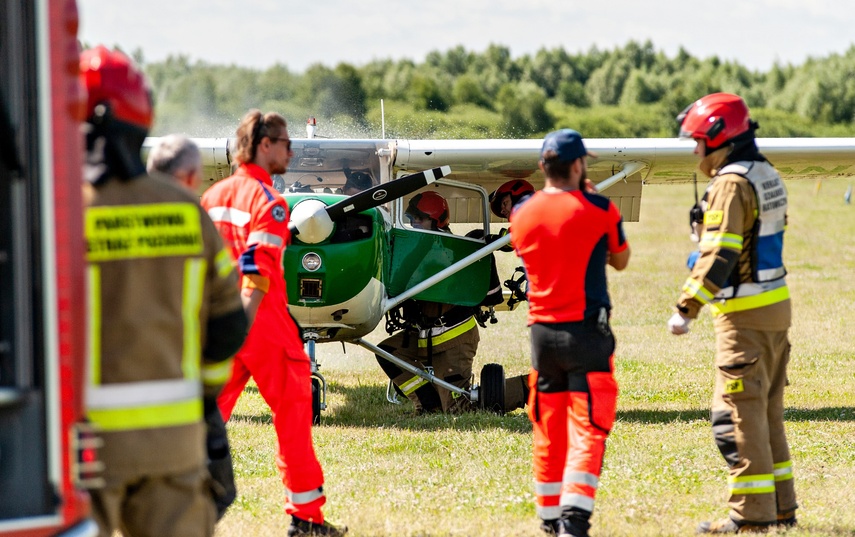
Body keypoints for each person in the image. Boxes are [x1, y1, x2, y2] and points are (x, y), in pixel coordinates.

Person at [80, 46, 247, 537]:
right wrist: (204, 392)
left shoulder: (57, 209)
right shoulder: (184, 208)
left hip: (79, 449)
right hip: (173, 447)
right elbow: (228, 323)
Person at [200, 109, 347, 536]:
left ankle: (177, 513)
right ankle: (306, 520)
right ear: (265, 146)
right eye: (285, 143)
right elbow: (258, 273)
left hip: (217, 322)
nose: (292, 149)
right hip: (260, 322)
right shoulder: (270, 203)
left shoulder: (212, 198)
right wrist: (243, 331)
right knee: (293, 417)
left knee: (204, 418)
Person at [668, 93, 797, 534]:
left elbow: (721, 257)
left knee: (735, 416)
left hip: (744, 316)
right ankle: (781, 508)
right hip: (775, 308)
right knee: (766, 413)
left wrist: (686, 307)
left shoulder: (729, 183)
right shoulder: (765, 173)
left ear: (719, 137)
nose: (695, 151)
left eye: (699, 141)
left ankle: (750, 516)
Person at [510, 129, 630, 537]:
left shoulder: (520, 214)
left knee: (548, 427)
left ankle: (548, 517)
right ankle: (574, 520)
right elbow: (622, 260)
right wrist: (590, 198)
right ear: (578, 165)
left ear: (543, 166)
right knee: (588, 426)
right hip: (587, 335)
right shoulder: (600, 208)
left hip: (541, 336)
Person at [146, 133, 237, 521]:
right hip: (180, 394)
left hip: (100, 400)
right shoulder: (193, 220)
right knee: (213, 496)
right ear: (187, 177)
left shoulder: (95, 208)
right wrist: (208, 387)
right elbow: (228, 320)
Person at [375, 191, 529, 414]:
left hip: (453, 339)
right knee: (388, 353)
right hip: (424, 337)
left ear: (436, 221)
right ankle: (428, 405)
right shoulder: (415, 250)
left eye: (420, 219)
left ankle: (530, 386)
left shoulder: (454, 251)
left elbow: (489, 293)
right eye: (412, 220)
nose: (414, 224)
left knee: (460, 409)